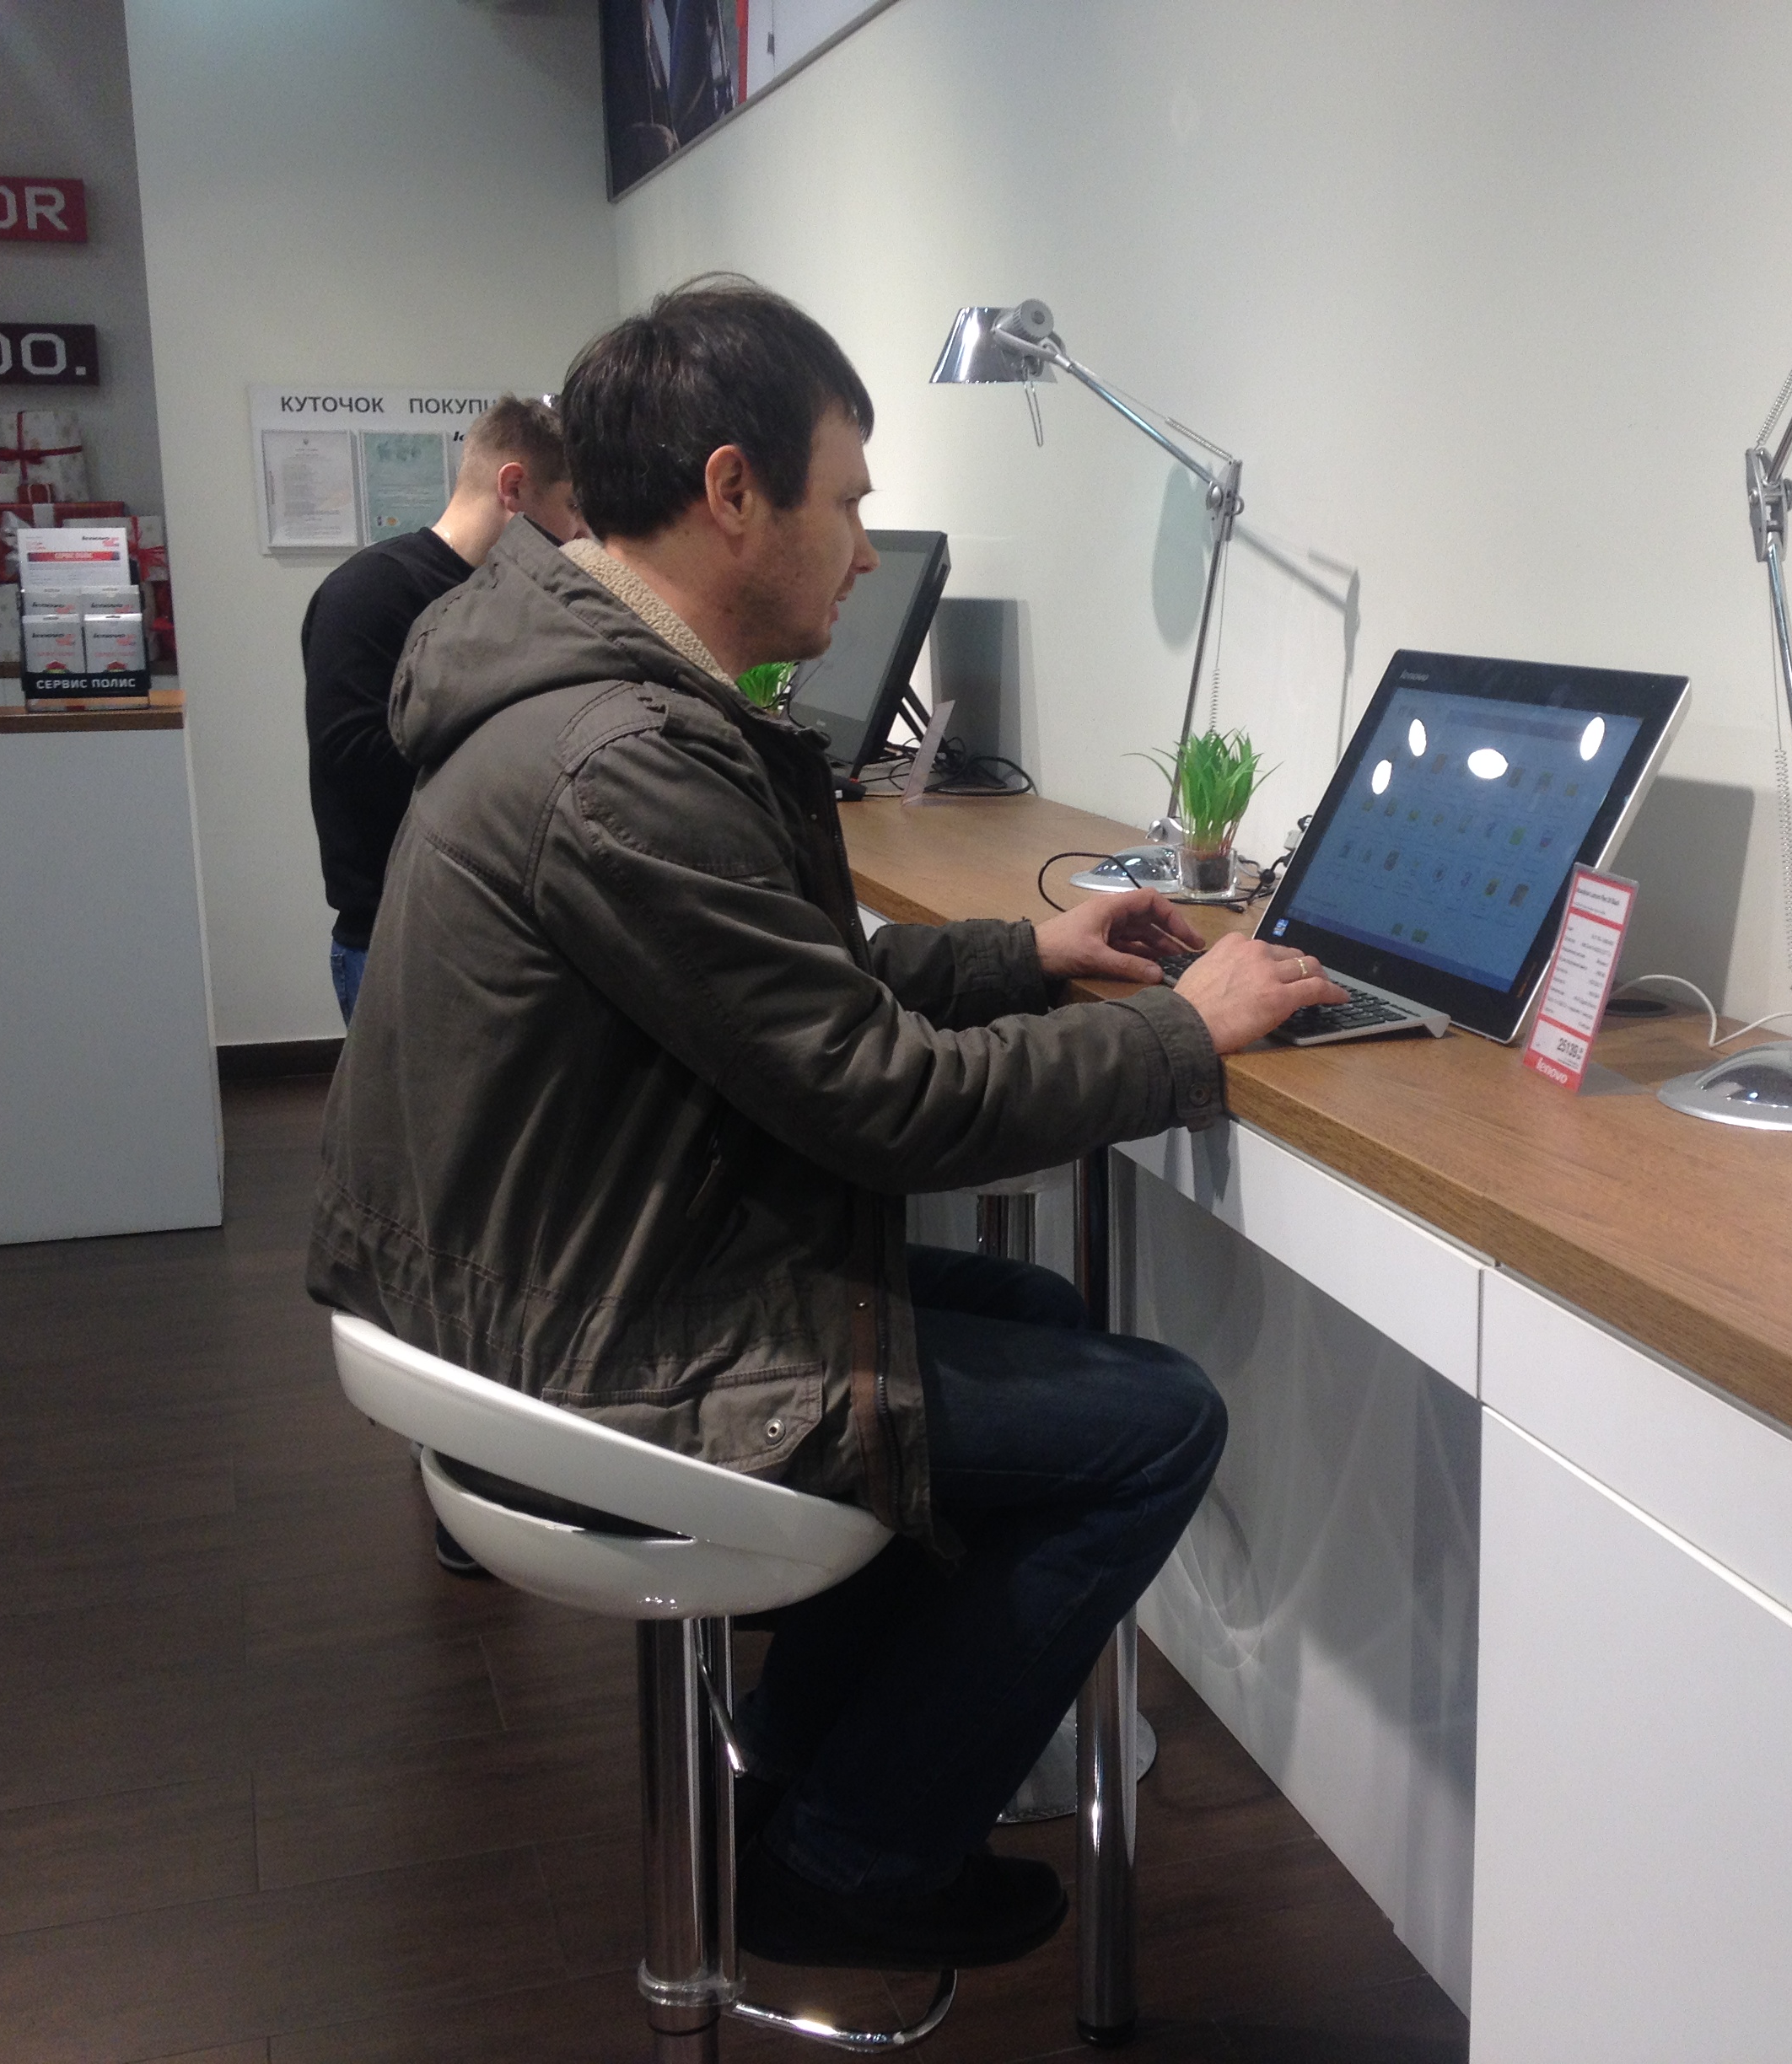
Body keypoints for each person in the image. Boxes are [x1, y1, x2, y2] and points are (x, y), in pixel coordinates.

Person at [306, 275, 1347, 1970]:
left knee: (1031, 1310)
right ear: (732, 493)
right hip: (587, 1339)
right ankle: (853, 1861)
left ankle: (799, 1770)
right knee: (1154, 1421)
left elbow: (789, 989)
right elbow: (884, 1102)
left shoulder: (584, 699)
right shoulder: (624, 759)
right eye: (849, 503)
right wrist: (1180, 1029)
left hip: (544, 1279)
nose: (866, 554)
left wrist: (1027, 955)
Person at [302, 394, 584, 1027]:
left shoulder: (530, 597)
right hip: (398, 935)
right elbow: (353, 757)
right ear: (514, 487)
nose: (580, 533)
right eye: (572, 507)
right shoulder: (368, 593)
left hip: (508, 928)